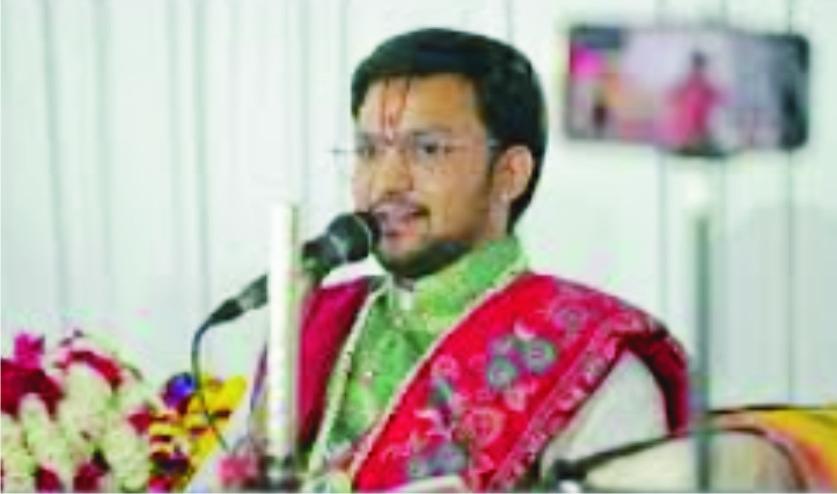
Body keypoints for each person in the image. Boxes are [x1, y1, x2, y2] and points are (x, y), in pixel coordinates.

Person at [289, 28, 690, 491]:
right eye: (368, 151)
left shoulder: (592, 363)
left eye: (428, 149)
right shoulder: (309, 324)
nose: (386, 182)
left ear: (510, 173)